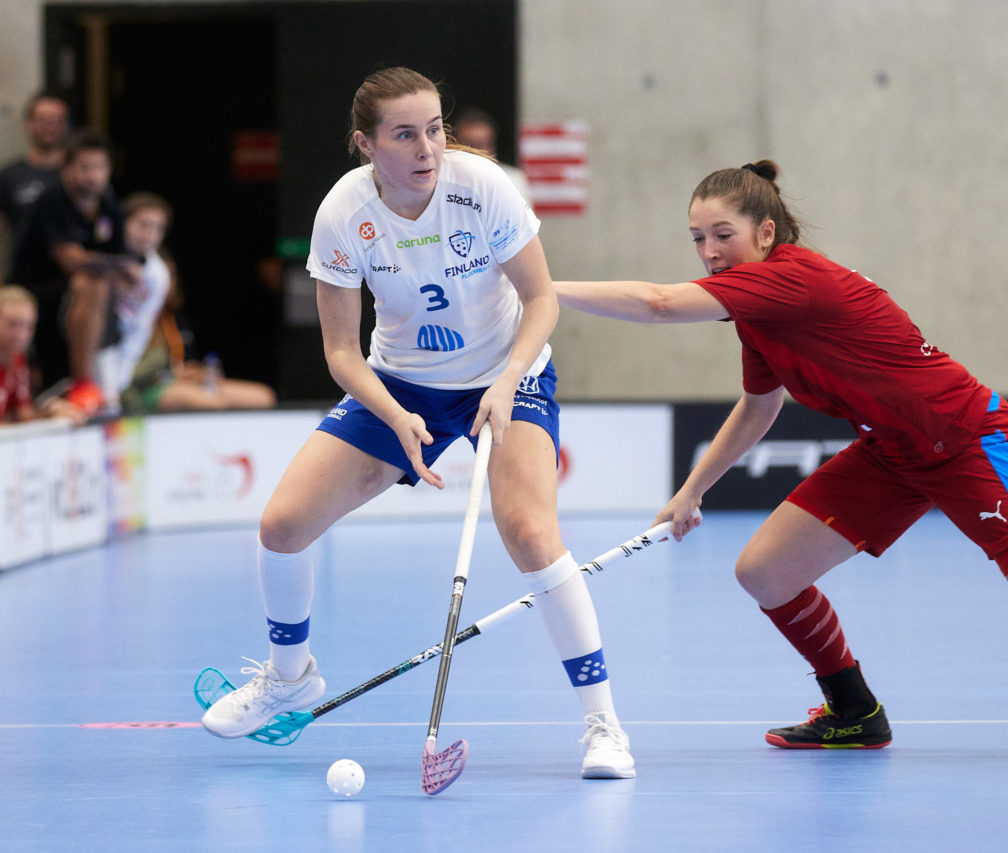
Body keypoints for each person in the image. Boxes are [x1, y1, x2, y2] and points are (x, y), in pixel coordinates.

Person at [555, 160, 1008, 760]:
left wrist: (541, 290)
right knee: (765, 571)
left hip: (969, 439)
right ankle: (854, 711)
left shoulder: (789, 279)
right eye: (697, 239)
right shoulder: (756, 313)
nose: (710, 251)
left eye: (723, 235)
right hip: (893, 450)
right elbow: (758, 407)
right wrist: (693, 489)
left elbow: (658, 303)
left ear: (765, 233)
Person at [199, 67, 636, 779]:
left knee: (531, 534)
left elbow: (542, 300)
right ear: (365, 144)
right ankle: (289, 675)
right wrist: (394, 413)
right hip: (401, 383)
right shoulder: (343, 214)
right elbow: (341, 352)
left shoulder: (484, 186)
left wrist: (505, 381)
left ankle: (603, 723)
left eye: (434, 129)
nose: (427, 147)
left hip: (509, 372)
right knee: (282, 526)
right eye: (405, 134)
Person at [8, 129, 138, 413]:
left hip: (81, 298)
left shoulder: (110, 206)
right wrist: (112, 266)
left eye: (99, 167)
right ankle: (83, 384)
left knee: (127, 283)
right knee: (92, 282)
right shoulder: (51, 200)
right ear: (66, 169)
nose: (92, 176)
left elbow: (124, 265)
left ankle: (117, 380)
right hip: (36, 291)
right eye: (84, 167)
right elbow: (70, 260)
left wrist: (128, 273)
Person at [111, 192, 275, 414]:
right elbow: (131, 357)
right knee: (209, 403)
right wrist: (171, 375)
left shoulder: (173, 314)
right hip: (139, 386)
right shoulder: (120, 292)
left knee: (263, 397)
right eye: (143, 225)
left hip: (172, 381)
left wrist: (195, 373)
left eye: (158, 228)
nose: (149, 235)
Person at [0, 284, 86, 425]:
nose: (21, 335)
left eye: (28, 326)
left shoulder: (17, 359)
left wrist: (49, 413)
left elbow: (21, 414)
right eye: (13, 324)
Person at [0, 92, 70, 264]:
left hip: (73, 274)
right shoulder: (10, 175)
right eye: (42, 120)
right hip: (24, 273)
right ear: (29, 124)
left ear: (66, 125)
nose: (49, 126)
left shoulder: (79, 174)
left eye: (55, 121)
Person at [452, 106, 531, 202]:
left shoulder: (513, 180)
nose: (479, 152)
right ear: (456, 147)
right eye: (471, 146)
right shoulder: (445, 181)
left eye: (484, 144)